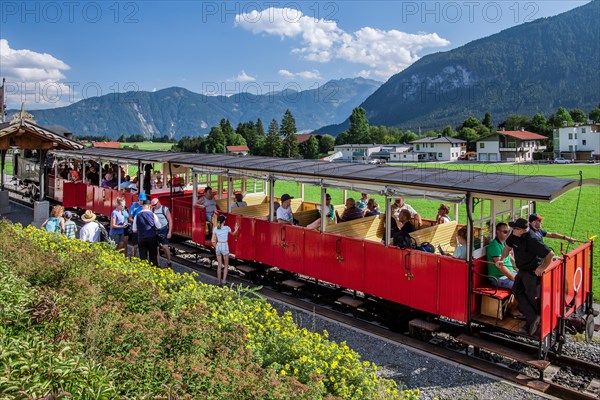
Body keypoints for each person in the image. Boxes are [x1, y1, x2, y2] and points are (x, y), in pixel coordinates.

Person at [495, 218, 554, 336]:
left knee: (532, 298)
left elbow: (550, 254)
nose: (512, 230)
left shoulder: (532, 240)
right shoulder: (515, 235)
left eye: (514, 228)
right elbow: (508, 247)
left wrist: (542, 268)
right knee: (516, 291)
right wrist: (502, 260)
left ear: (521, 231)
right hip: (522, 270)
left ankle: (536, 325)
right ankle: (533, 320)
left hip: (532, 273)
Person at [211, 215, 240, 286]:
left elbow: (213, 241)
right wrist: (236, 229)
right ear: (224, 221)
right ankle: (224, 281)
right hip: (224, 246)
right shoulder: (227, 228)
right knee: (226, 265)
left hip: (218, 245)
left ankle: (218, 282)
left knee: (219, 265)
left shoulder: (215, 229)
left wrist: (216, 247)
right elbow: (233, 234)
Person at [132, 199, 162, 267]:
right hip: (152, 238)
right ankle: (154, 271)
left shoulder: (137, 216)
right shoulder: (153, 215)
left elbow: (134, 230)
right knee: (153, 257)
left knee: (143, 257)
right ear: (149, 206)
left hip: (141, 238)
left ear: (142, 206)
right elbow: (159, 226)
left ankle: (144, 271)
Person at [486, 223, 516, 288]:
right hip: (499, 278)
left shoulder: (505, 242)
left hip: (509, 274)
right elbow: (500, 266)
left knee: (530, 280)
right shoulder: (494, 246)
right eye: (505, 232)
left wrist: (518, 267)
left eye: (509, 231)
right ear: (498, 232)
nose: (508, 234)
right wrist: (513, 278)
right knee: (520, 287)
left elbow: (509, 256)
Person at [151, 197, 173, 267]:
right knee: (156, 248)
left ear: (158, 203)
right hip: (155, 230)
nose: (154, 206)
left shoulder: (165, 209)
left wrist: (169, 232)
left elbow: (170, 220)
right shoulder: (152, 210)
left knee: (165, 246)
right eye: (153, 205)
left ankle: (169, 261)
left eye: (155, 205)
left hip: (163, 229)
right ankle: (158, 264)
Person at [128, 193, 146, 259]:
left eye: (143, 200)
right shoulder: (134, 205)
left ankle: (142, 259)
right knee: (135, 245)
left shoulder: (145, 206)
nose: (142, 201)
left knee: (142, 244)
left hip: (143, 229)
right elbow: (130, 218)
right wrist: (136, 222)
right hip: (136, 228)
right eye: (141, 200)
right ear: (139, 199)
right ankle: (132, 258)